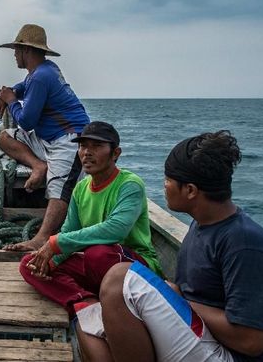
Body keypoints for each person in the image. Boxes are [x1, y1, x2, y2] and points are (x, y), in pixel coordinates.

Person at [97, 131, 263, 362]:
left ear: (190, 190)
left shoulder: (245, 244)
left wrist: (180, 300)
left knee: (119, 278)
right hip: (199, 335)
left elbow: (252, 340)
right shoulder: (202, 225)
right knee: (87, 322)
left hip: (229, 355)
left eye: (168, 180)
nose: (164, 185)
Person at [17, 121, 163, 360]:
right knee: (29, 264)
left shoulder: (130, 184)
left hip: (131, 267)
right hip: (98, 269)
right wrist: (51, 259)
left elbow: (115, 230)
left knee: (98, 254)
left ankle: (92, 299)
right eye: (83, 146)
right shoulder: (81, 188)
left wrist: (56, 243)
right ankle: (84, 301)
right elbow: (70, 229)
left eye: (96, 146)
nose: (86, 152)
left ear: (115, 153)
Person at [0, 24, 90, 252]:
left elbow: (26, 121)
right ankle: (39, 165)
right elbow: (23, 86)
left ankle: (42, 237)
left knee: (59, 190)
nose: (14, 55)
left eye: (16, 50)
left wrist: (10, 102)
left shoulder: (41, 77)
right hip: (47, 139)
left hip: (69, 140)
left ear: (26, 51)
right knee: (4, 137)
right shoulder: (42, 71)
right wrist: (12, 91)